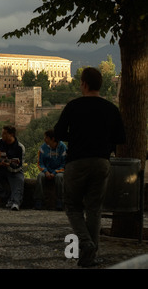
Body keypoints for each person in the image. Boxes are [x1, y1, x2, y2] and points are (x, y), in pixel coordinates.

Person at [54, 67, 126, 268]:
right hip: (101, 161)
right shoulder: (111, 108)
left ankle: (85, 243)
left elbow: (58, 132)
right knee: (94, 209)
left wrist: (76, 138)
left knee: (73, 206)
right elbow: (120, 138)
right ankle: (90, 257)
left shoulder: (74, 106)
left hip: (77, 161)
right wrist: (104, 144)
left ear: (84, 84)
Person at [33, 129, 67, 210]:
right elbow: (40, 163)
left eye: (46, 137)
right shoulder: (43, 147)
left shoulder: (63, 148)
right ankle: (38, 201)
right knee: (40, 176)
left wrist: (55, 172)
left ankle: (60, 201)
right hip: (46, 171)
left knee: (59, 177)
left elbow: (64, 164)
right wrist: (46, 171)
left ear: (52, 139)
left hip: (59, 171)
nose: (44, 139)